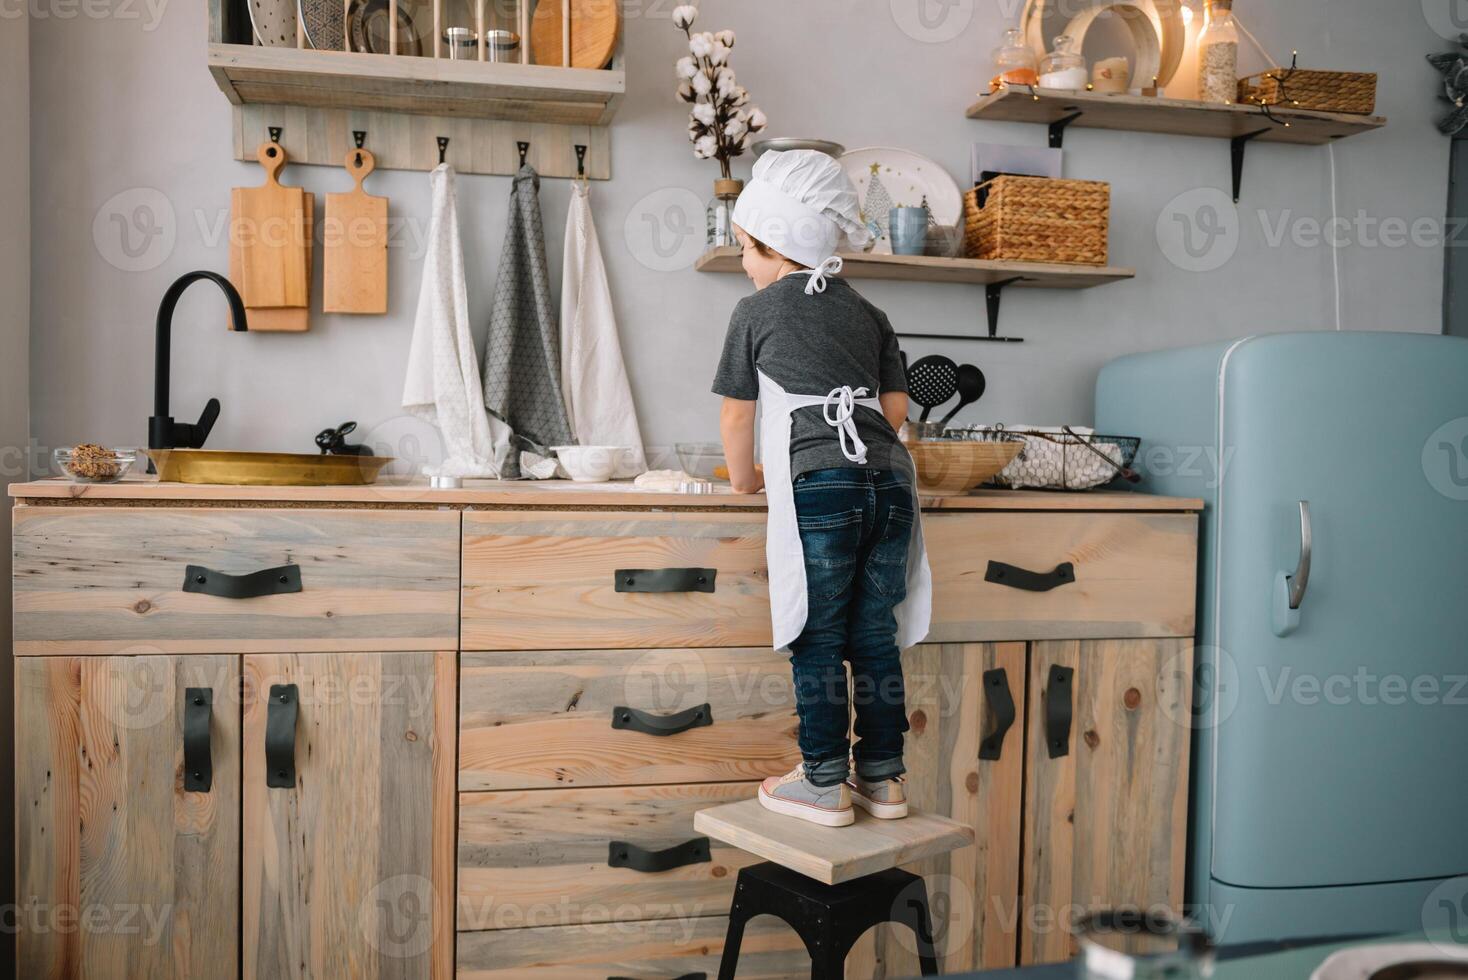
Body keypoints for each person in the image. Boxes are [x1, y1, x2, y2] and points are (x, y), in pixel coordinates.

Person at [711, 150, 932, 828]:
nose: (744, 261)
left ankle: (824, 781)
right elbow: (895, 410)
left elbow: (736, 414)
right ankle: (884, 779)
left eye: (746, 247)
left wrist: (747, 479)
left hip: (820, 482)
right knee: (873, 633)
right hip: (890, 483)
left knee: (817, 630)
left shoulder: (755, 310)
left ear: (773, 244)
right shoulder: (868, 312)